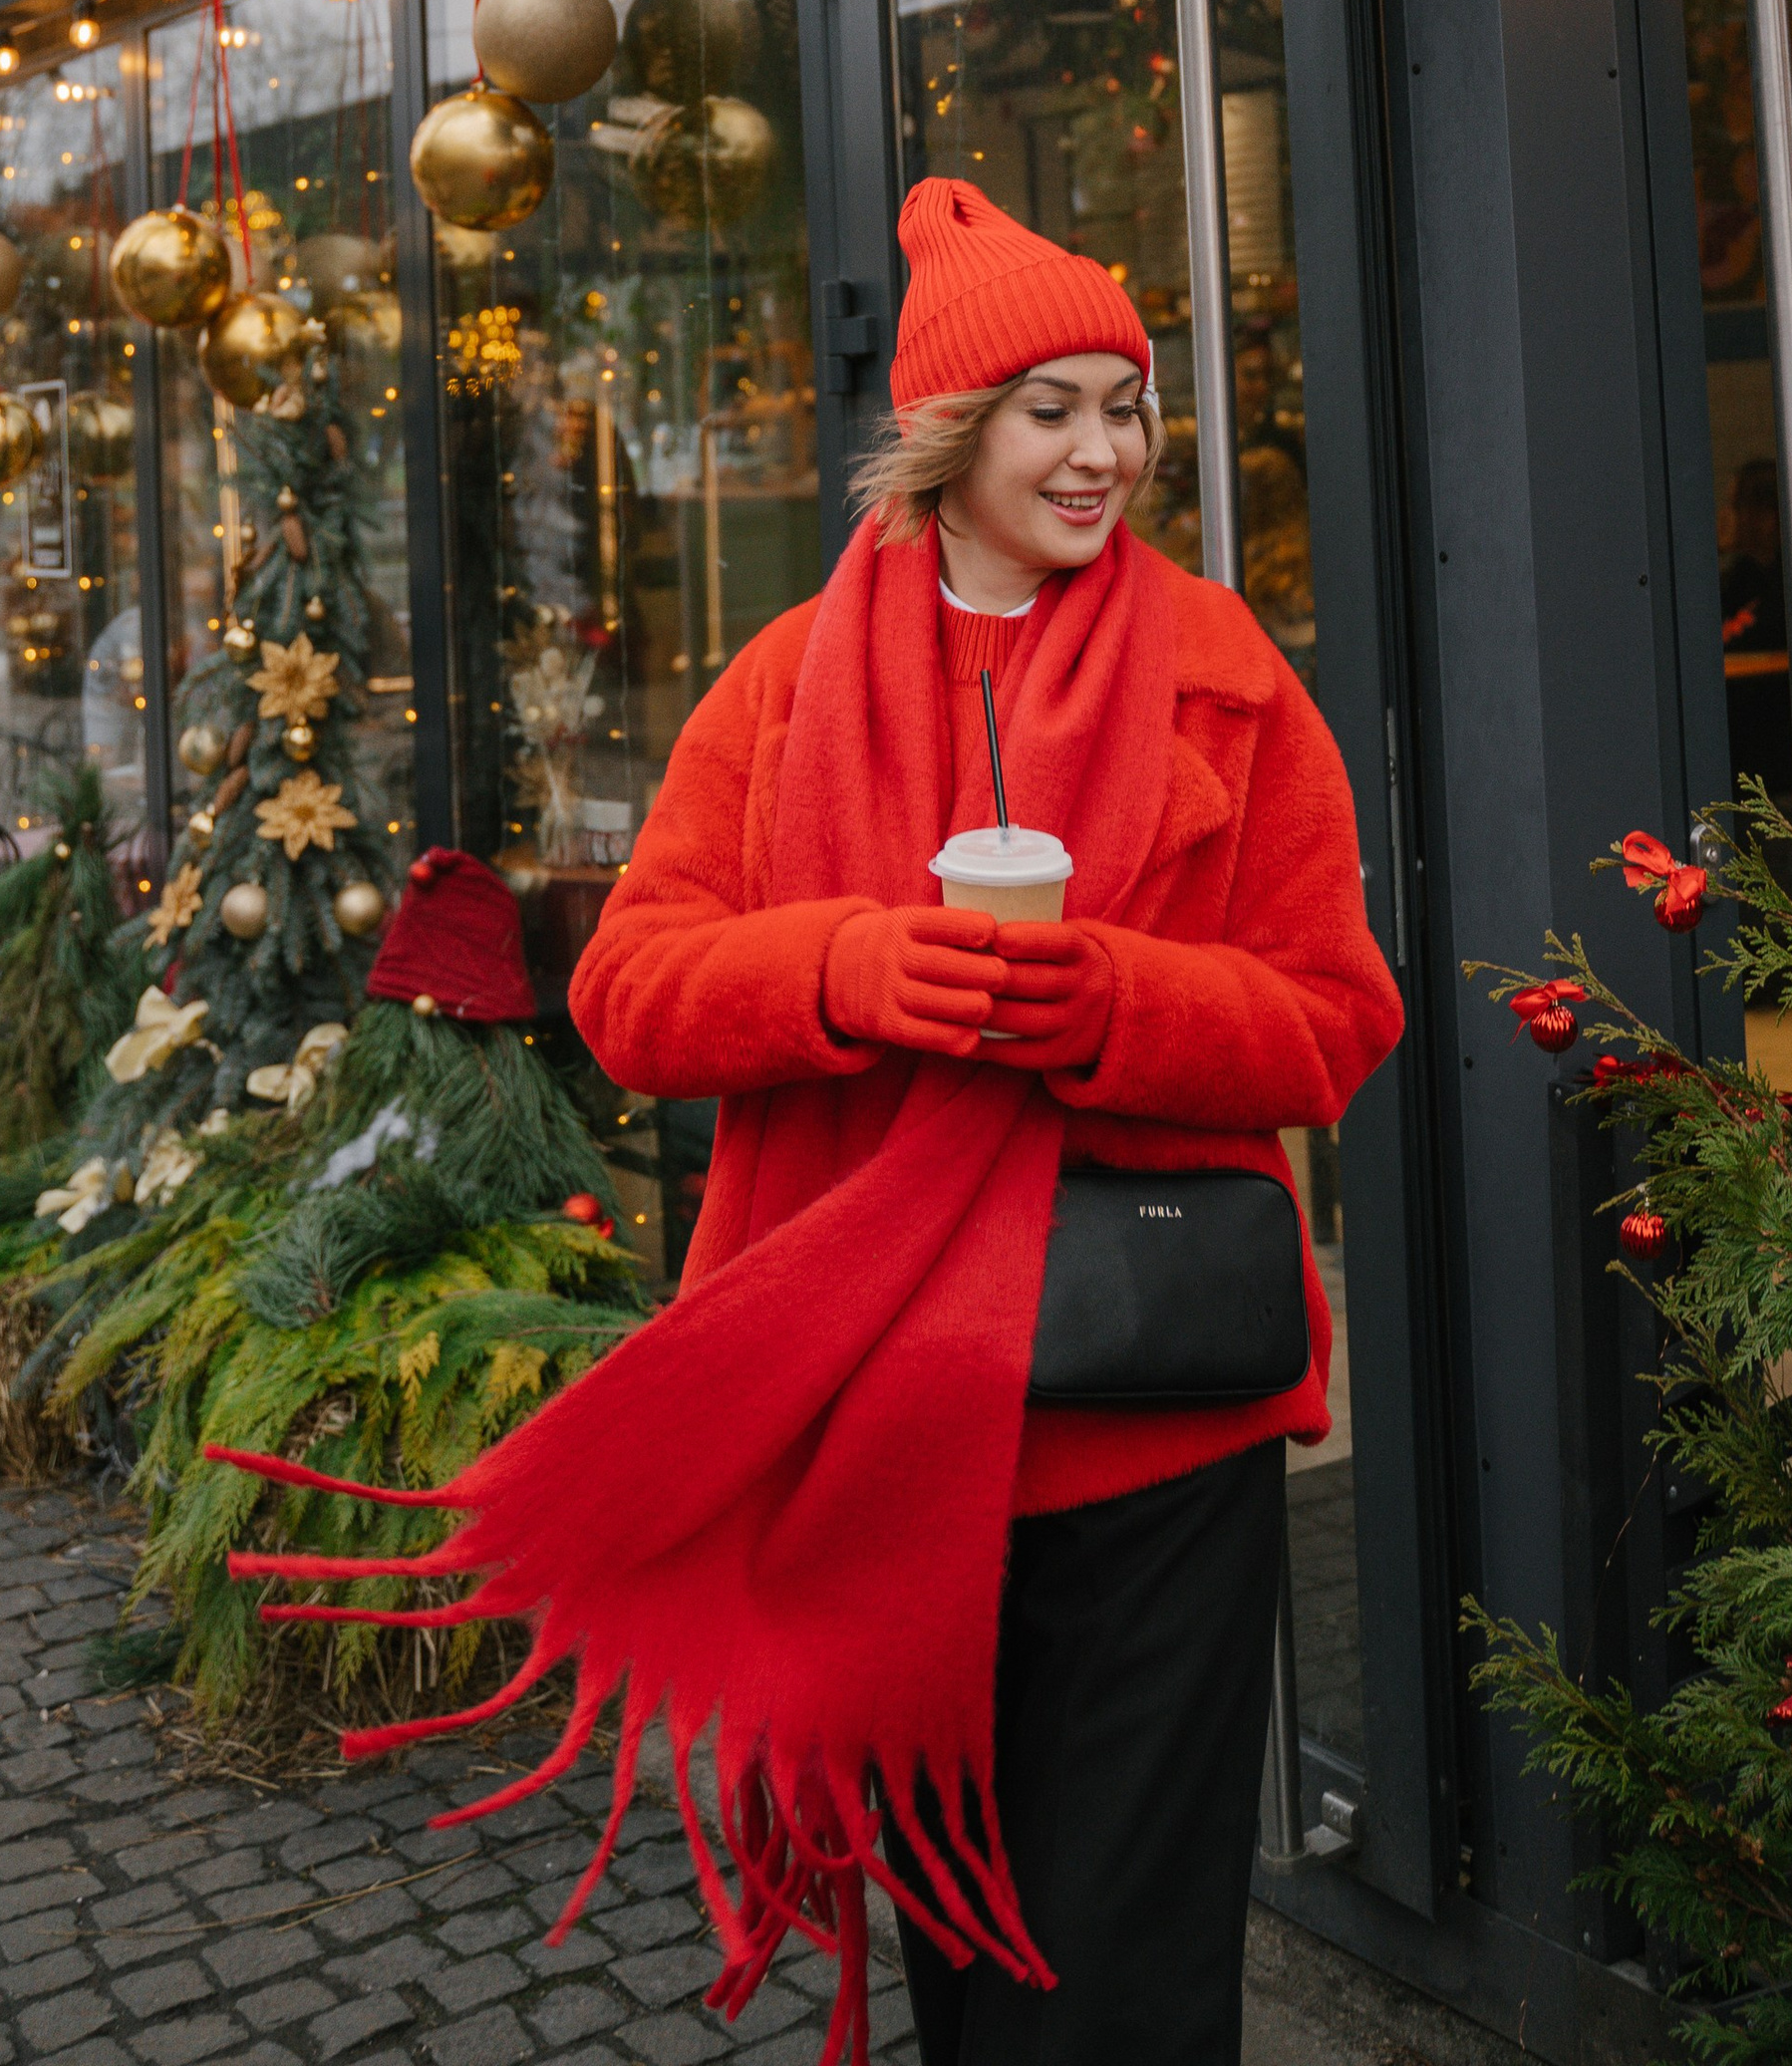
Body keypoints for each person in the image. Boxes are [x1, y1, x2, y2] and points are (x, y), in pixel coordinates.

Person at [225, 175, 1400, 2066]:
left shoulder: (1226, 679)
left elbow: (1334, 1022)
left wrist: (1113, 1004)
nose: (1105, 452)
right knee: (968, 1945)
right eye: (1056, 408)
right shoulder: (781, 689)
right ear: (950, 434)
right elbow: (626, 990)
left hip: (1153, 1428)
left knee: (1137, 1971)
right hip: (876, 1426)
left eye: (1130, 405)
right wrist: (845, 970)